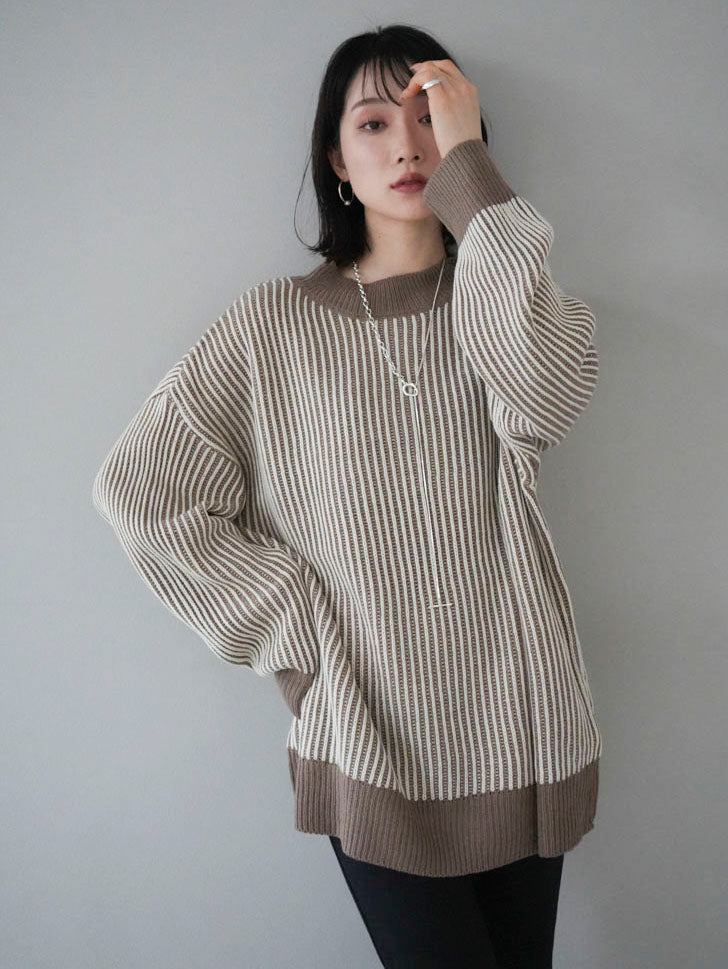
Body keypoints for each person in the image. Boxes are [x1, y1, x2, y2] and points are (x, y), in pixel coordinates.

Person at [92, 22, 601, 969]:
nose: (406, 145)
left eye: (429, 118)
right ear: (335, 158)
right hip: (371, 741)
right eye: (373, 123)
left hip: (524, 730)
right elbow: (143, 491)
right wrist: (296, 633)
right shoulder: (269, 328)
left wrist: (473, 180)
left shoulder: (504, 300)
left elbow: (550, 391)